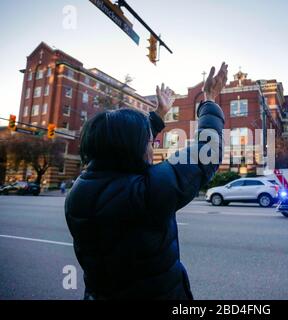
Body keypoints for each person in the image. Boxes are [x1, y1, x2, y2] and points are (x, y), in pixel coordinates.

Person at [65, 63, 229, 300]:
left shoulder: (78, 193)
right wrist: (210, 100)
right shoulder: (144, 194)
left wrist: (158, 116)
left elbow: (119, 142)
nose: (152, 148)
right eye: (150, 143)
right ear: (134, 149)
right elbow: (207, 152)